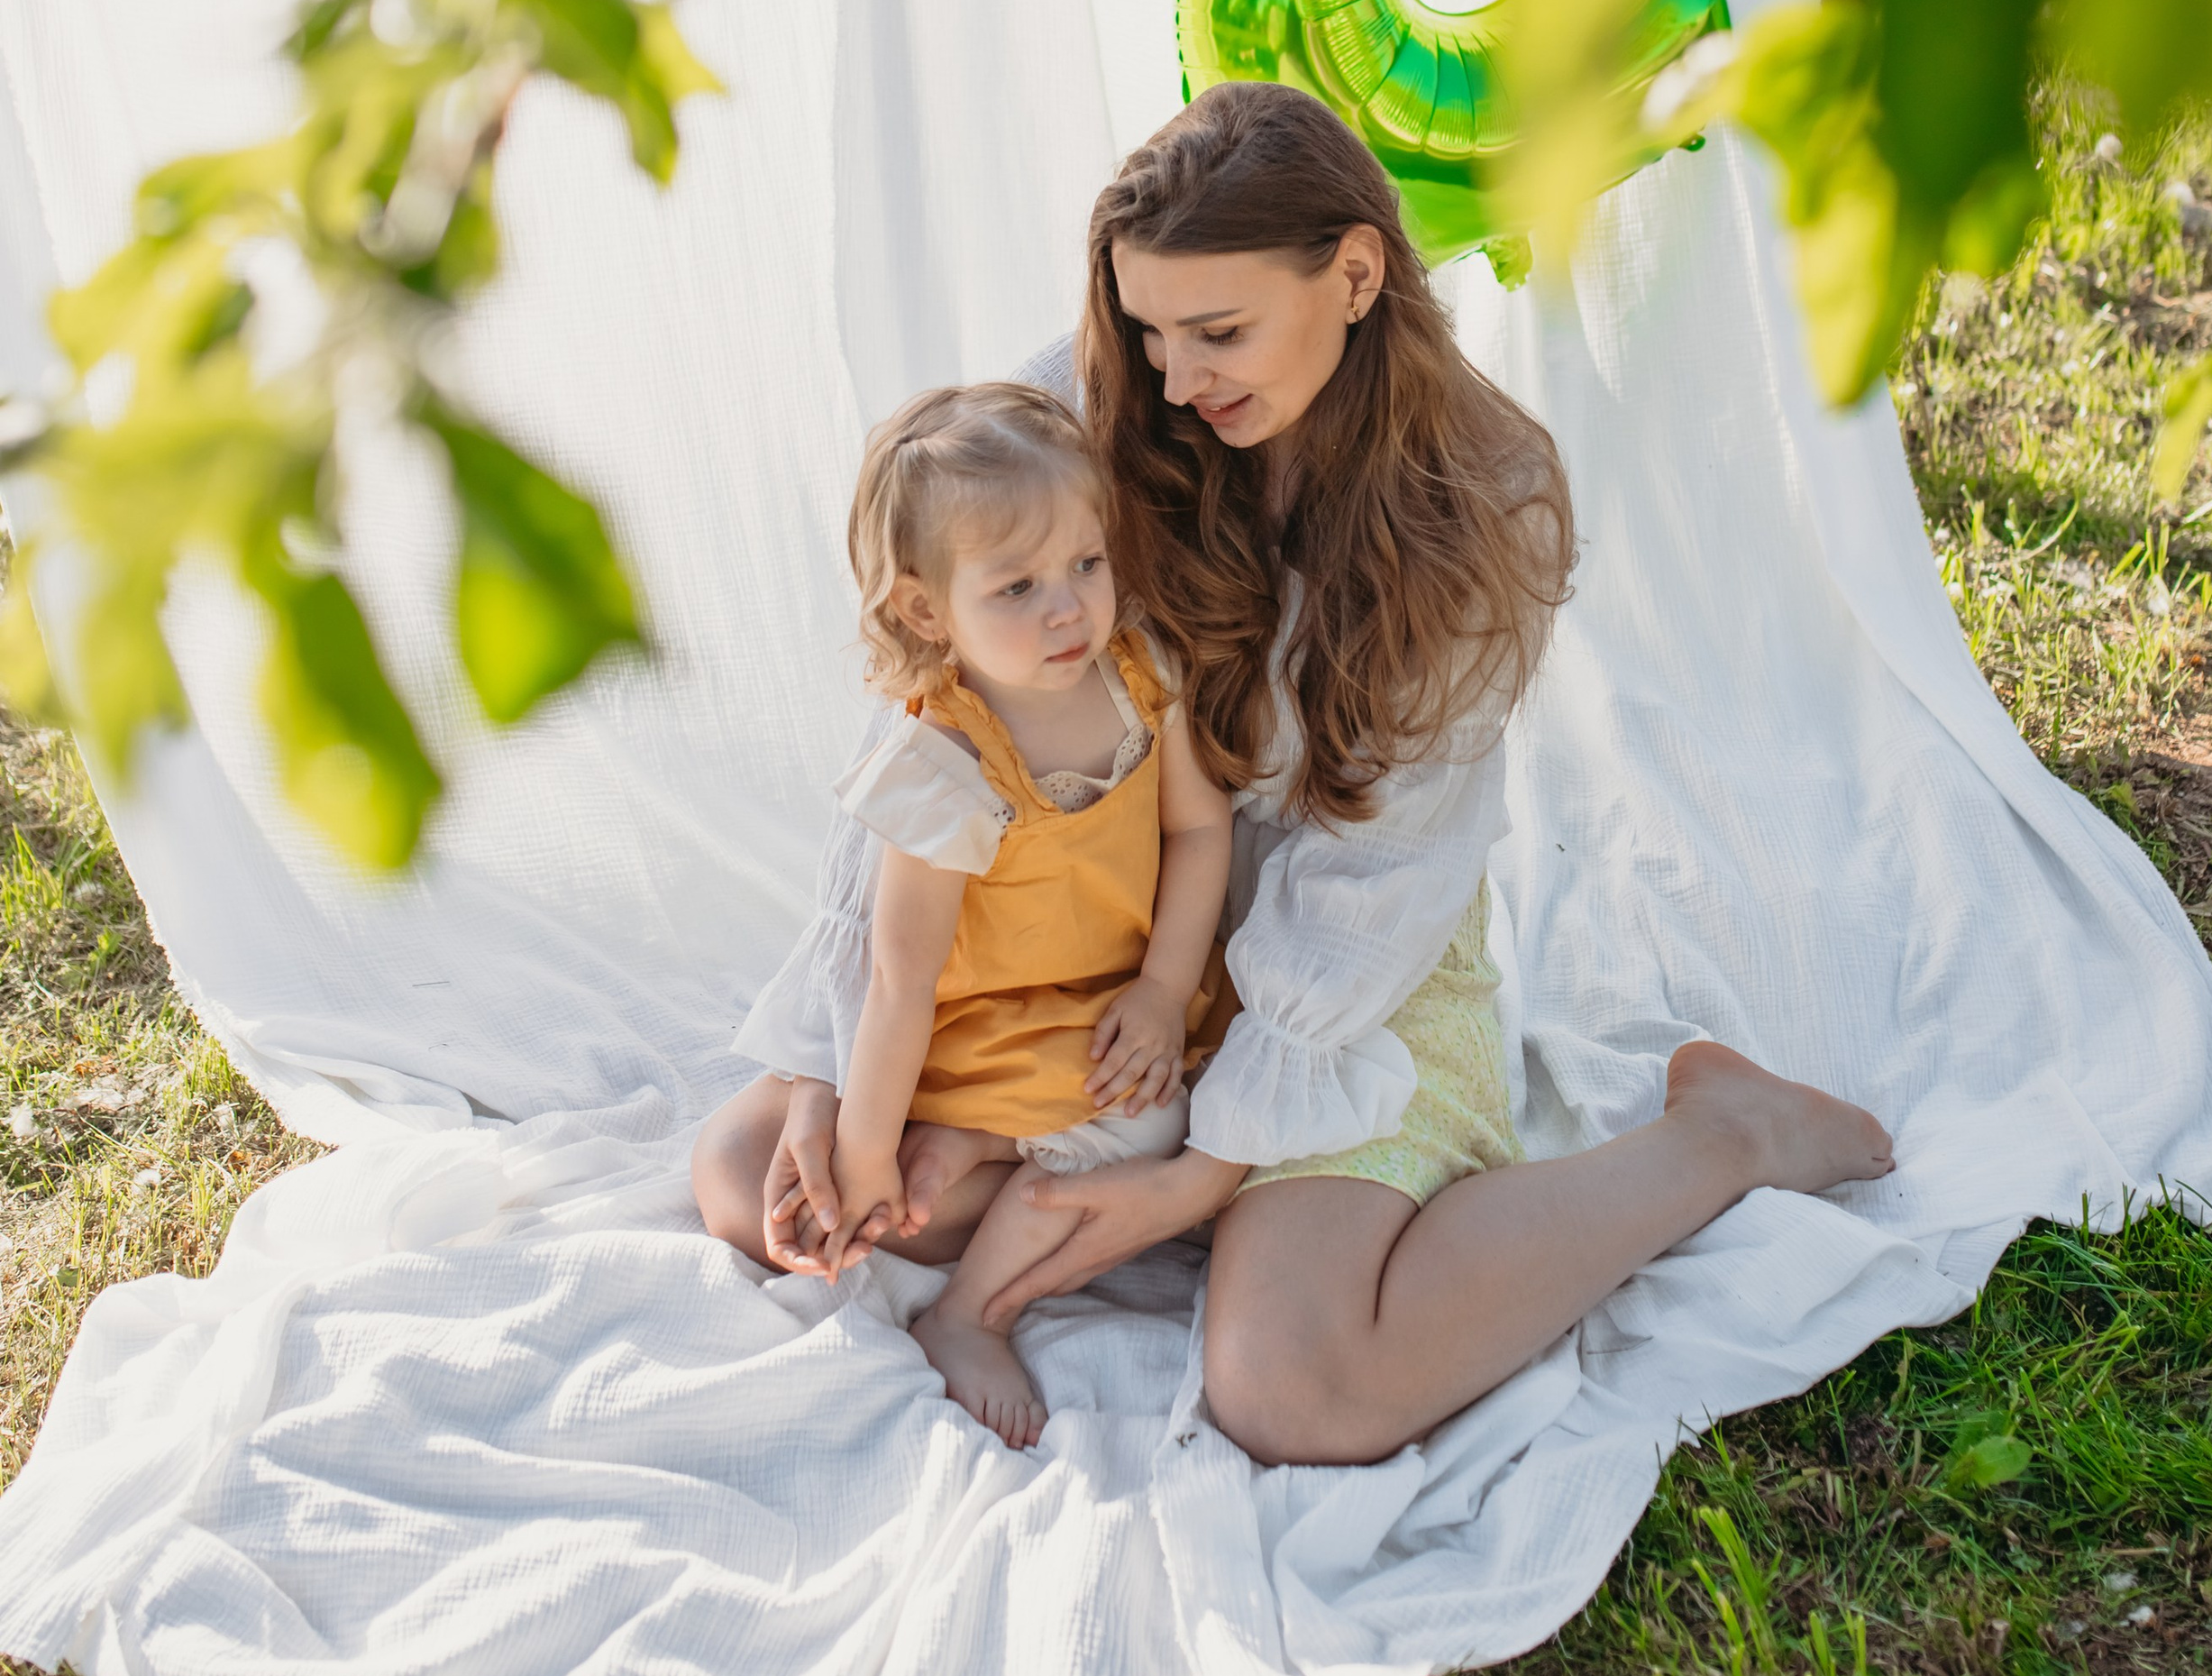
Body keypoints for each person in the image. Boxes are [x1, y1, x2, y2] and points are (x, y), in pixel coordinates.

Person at [708, 85, 1895, 1470]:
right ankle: (1139, 1176)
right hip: (1107, 942)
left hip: (1340, 966)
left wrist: (1202, 1173)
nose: (1174, 380)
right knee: (751, 1180)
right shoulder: (1082, 404)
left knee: (1296, 1390)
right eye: (1149, 331)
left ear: (1354, 273)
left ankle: (1724, 1137)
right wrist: (823, 1072)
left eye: (1218, 333)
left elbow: (1375, 886)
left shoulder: (1484, 496)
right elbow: (930, 723)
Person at [693, 382, 1232, 1447]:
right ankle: (968, 1288)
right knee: (757, 1184)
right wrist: (865, 1152)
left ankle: (973, 1217)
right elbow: (894, 983)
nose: (1069, 608)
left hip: (1103, 1011)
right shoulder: (942, 764)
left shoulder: (1142, 679)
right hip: (970, 1034)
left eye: (1087, 563)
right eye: (1018, 586)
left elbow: (1198, 834)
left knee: (1167, 1120)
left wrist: (1165, 990)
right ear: (926, 611)